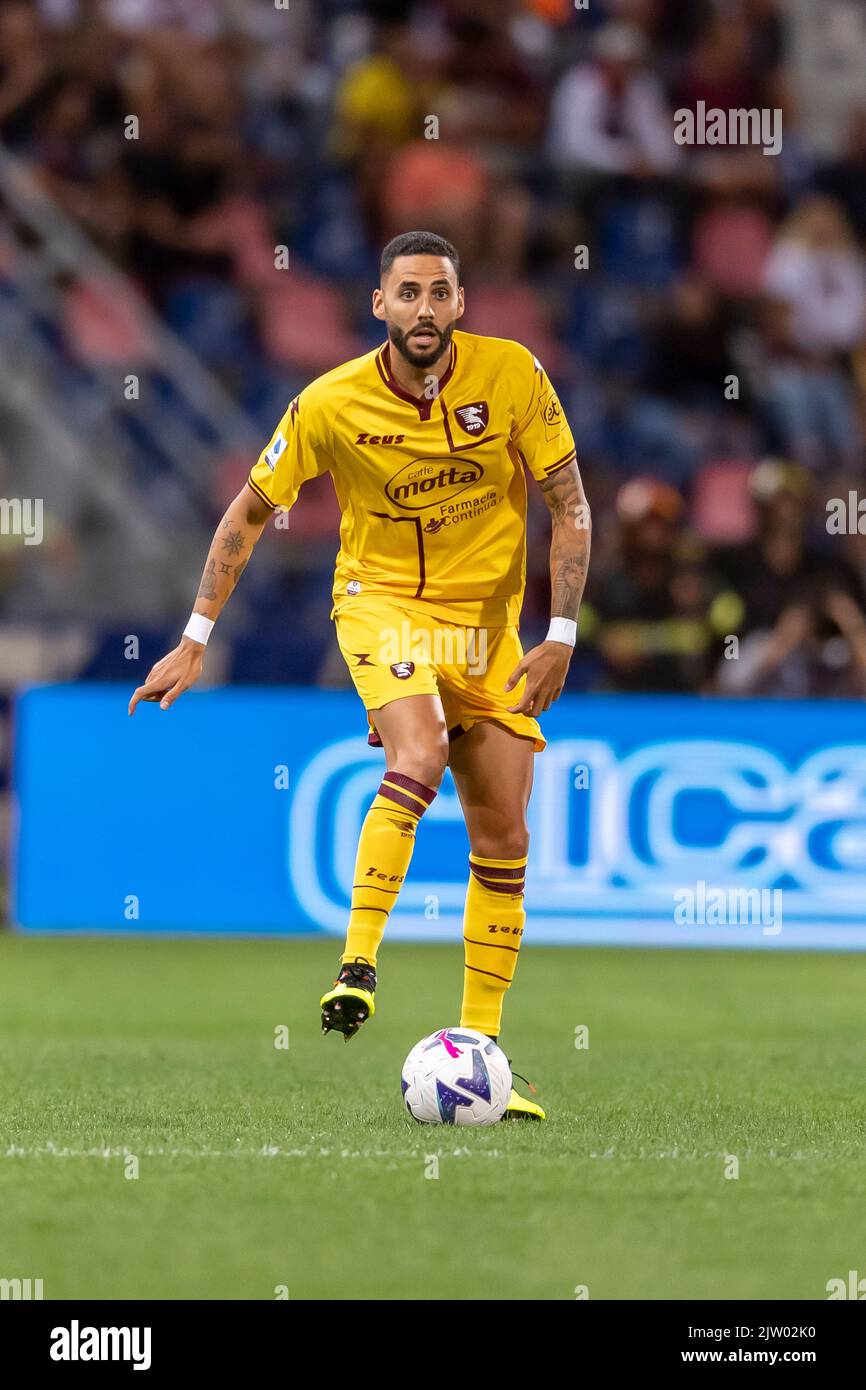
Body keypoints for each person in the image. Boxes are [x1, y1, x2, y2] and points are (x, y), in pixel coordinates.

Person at [129, 230, 591, 1120]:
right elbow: (250, 509)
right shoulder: (329, 404)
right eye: (407, 292)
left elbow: (569, 503)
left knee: (504, 840)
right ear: (378, 304)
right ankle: (358, 962)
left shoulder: (515, 378)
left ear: (461, 305)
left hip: (488, 633)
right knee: (414, 757)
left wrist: (561, 631)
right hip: (382, 606)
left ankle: (480, 1052)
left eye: (440, 293)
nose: (425, 308)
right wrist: (195, 636)